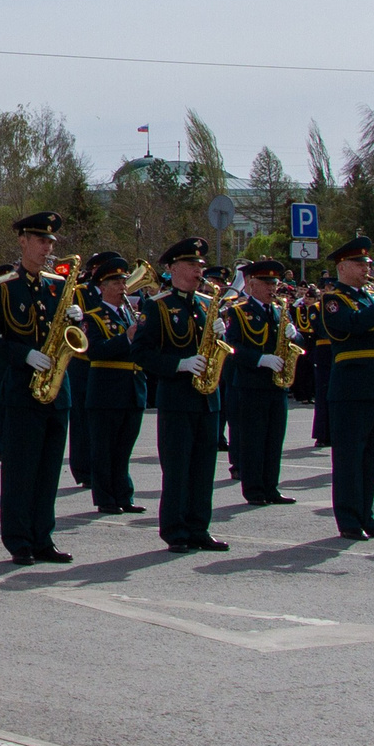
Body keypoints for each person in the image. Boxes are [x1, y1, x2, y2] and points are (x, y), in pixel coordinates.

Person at [0, 211, 76, 563]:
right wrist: (24, 355)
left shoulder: (57, 285)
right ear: (22, 241)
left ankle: (43, 537)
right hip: (23, 391)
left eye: (51, 241)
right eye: (41, 240)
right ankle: (19, 539)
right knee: (21, 471)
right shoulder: (4, 285)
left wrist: (74, 320)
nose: (47, 247)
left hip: (56, 393)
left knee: (49, 470)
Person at [134, 237, 228, 553]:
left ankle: (198, 526)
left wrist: (218, 337)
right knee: (178, 468)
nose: (198, 271)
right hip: (177, 398)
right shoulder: (158, 306)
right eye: (191, 265)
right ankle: (175, 529)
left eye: (201, 265)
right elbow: (142, 353)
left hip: (207, 397)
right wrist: (180, 364)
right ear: (173, 268)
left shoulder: (205, 304)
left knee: (204, 468)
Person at [316, 238, 374, 540]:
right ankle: (350, 520)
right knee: (350, 459)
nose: (366, 268)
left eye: (367, 263)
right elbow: (353, 325)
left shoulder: (370, 299)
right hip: (352, 389)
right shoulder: (333, 299)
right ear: (342, 267)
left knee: (372, 460)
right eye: (359, 263)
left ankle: (367, 516)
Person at [75, 253, 149, 513]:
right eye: (116, 283)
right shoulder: (92, 316)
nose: (122, 288)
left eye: (124, 282)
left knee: (123, 448)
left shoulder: (132, 316)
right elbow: (93, 351)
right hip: (107, 389)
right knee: (104, 448)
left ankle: (123, 495)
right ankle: (105, 498)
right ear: (103, 287)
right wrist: (126, 339)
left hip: (132, 388)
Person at [224, 257, 295, 504]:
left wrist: (294, 337)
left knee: (274, 439)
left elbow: (297, 346)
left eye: (274, 283)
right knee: (253, 439)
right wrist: (260, 359)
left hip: (276, 386)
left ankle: (271, 487)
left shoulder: (279, 311)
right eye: (266, 283)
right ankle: (254, 489)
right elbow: (231, 347)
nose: (272, 288)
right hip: (251, 385)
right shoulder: (239, 312)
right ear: (252, 284)